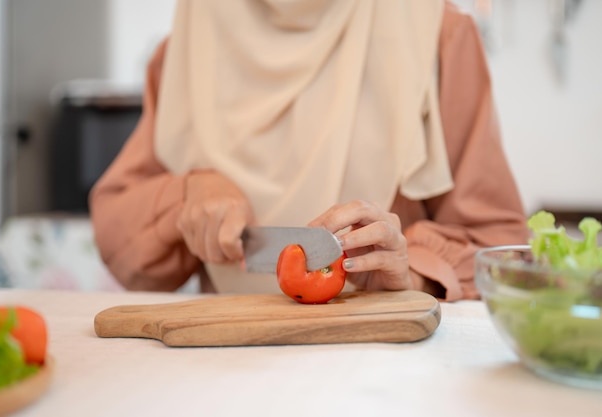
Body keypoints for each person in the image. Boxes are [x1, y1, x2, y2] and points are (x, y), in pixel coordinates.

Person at [89, 0, 529, 301]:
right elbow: (121, 239)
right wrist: (188, 194)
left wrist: (411, 273)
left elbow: (501, 250)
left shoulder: (435, 35)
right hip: (224, 369)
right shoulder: (188, 48)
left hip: (385, 376)